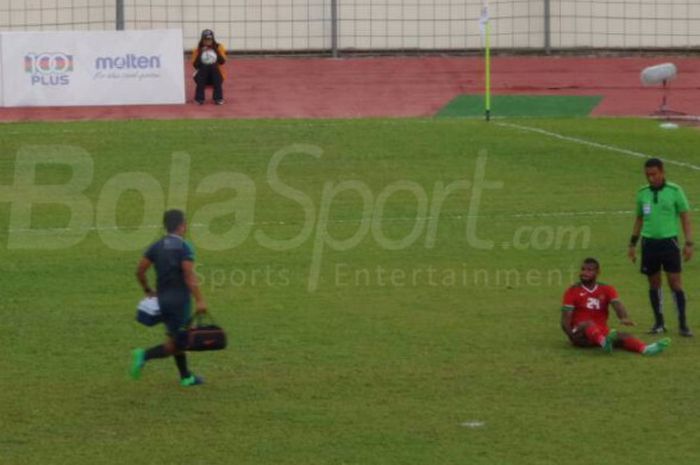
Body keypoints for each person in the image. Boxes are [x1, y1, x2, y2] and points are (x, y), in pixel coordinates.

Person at [130, 209, 208, 387]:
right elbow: (189, 275)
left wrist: (147, 290)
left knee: (175, 337)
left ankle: (186, 377)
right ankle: (143, 355)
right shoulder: (183, 247)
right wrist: (200, 300)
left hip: (163, 301)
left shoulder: (157, 246)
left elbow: (140, 270)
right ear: (182, 225)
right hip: (179, 302)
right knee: (179, 343)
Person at [628, 158, 693, 336]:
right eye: (647, 175)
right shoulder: (642, 194)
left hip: (669, 243)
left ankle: (683, 324)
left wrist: (689, 242)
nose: (651, 178)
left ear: (662, 172)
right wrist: (632, 244)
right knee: (654, 283)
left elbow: (685, 217)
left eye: (654, 174)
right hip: (648, 244)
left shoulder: (675, 191)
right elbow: (639, 219)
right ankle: (659, 323)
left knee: (675, 283)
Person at [561, 258, 670, 355]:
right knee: (588, 324)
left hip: (600, 332)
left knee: (623, 335)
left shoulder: (607, 289)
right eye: (583, 269)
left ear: (597, 272)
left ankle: (645, 349)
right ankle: (604, 343)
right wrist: (572, 337)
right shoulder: (572, 290)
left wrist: (623, 317)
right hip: (580, 333)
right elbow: (565, 319)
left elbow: (617, 304)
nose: (584, 273)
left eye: (589, 270)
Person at [192, 29, 226, 105]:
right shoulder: (197, 49)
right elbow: (195, 66)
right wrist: (201, 52)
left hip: (216, 76)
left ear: (213, 39)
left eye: (209, 39)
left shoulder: (219, 47)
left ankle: (218, 98)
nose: (207, 41)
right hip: (202, 76)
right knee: (204, 66)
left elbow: (222, 62)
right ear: (202, 39)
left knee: (213, 66)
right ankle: (199, 99)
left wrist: (214, 49)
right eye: (205, 39)